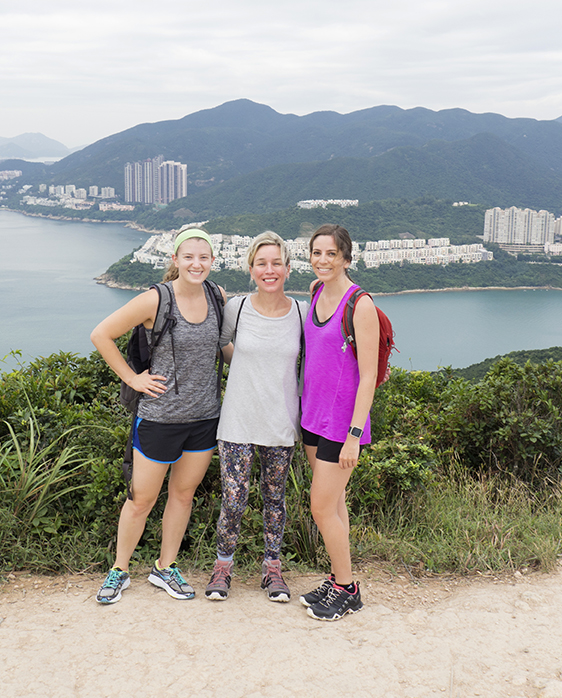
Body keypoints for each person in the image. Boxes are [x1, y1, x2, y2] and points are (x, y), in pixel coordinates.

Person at [89, 228, 226, 604]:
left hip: (204, 418)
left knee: (183, 496)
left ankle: (165, 567)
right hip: (159, 418)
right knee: (141, 500)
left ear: (212, 261)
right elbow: (101, 334)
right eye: (189, 257)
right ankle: (119, 570)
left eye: (203, 257)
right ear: (175, 260)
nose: (196, 264)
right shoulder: (156, 299)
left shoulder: (217, 296)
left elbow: (223, 347)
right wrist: (133, 378)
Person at [203, 231, 307, 603]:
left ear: (288, 268)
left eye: (276, 263)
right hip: (238, 420)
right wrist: (247, 364)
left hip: (281, 420)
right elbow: (221, 344)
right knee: (234, 499)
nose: (269, 270)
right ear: (251, 269)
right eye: (261, 263)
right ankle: (223, 566)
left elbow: (318, 354)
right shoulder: (238, 307)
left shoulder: (301, 312)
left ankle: (272, 568)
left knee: (275, 498)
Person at [298, 224, 378, 621]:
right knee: (335, 504)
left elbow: (369, 375)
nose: (323, 260)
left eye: (331, 253)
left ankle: (347, 589)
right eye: (317, 253)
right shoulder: (316, 292)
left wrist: (353, 436)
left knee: (320, 508)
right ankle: (338, 578)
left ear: (346, 258)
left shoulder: (360, 305)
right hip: (312, 418)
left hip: (342, 426)